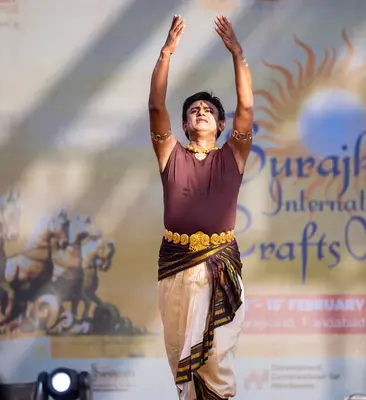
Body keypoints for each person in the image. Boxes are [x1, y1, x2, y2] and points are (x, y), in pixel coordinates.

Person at [148, 13, 253, 400]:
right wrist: (167, 53)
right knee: (183, 362)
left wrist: (237, 53)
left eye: (209, 109)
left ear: (222, 125)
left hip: (220, 266)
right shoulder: (170, 154)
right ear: (186, 125)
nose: (202, 111)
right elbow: (156, 107)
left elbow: (246, 108)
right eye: (194, 110)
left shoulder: (234, 155)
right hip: (175, 264)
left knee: (215, 359)